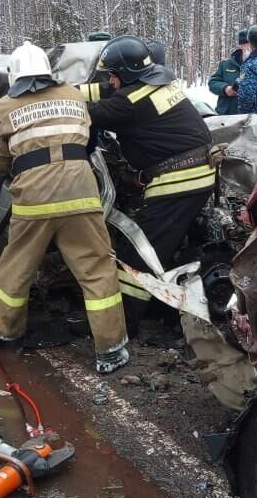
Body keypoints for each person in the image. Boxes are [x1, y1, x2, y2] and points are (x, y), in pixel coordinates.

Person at [0, 41, 130, 374]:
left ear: (15, 76)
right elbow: (89, 141)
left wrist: (19, 167)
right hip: (81, 192)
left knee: (16, 266)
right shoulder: (74, 96)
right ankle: (110, 349)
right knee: (96, 269)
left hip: (33, 199)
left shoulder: (4, 107)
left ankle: (0, 333)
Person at [87, 35, 216, 331]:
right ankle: (163, 309)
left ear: (125, 75)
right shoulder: (158, 84)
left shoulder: (129, 103)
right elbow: (111, 90)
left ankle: (123, 324)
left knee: (137, 252)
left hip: (178, 180)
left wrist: (60, 95)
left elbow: (87, 114)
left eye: (113, 76)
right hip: (197, 173)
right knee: (164, 246)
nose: (111, 81)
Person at [208, 30, 249, 115]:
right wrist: (225, 89)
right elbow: (213, 82)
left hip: (249, 117)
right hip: (226, 115)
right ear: (241, 45)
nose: (251, 48)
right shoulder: (226, 64)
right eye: (248, 45)